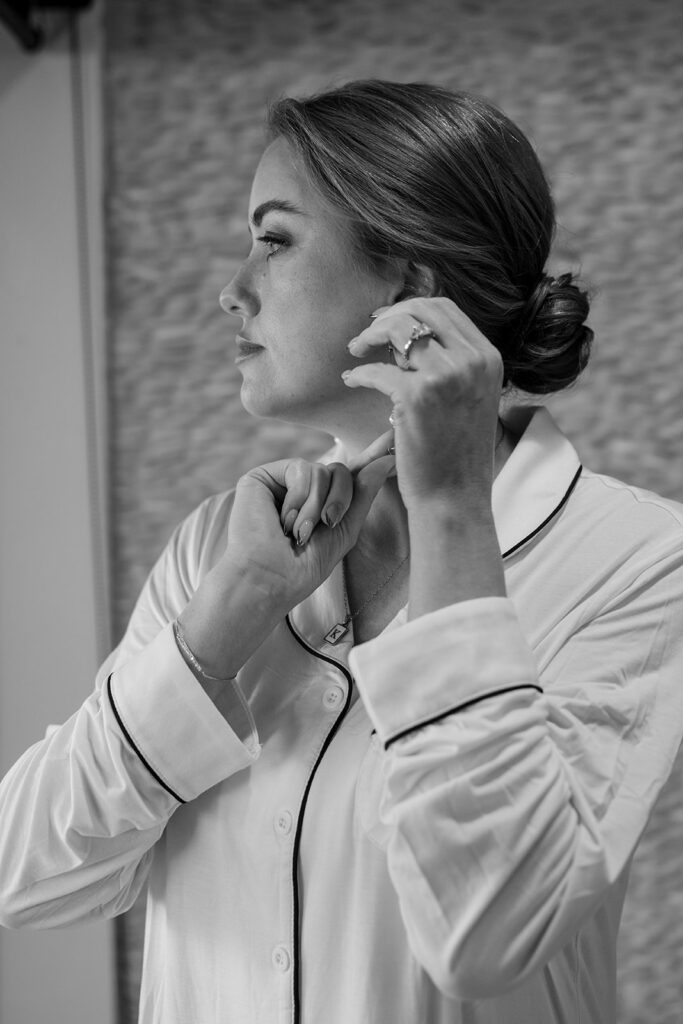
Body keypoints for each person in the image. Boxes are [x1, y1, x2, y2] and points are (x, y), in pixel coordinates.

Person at [1, 79, 683, 1024]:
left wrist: (450, 513)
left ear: (409, 286)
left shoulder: (640, 560)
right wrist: (217, 627)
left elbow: (489, 936)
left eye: (273, 241)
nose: (228, 291)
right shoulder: (219, 550)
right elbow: (29, 880)